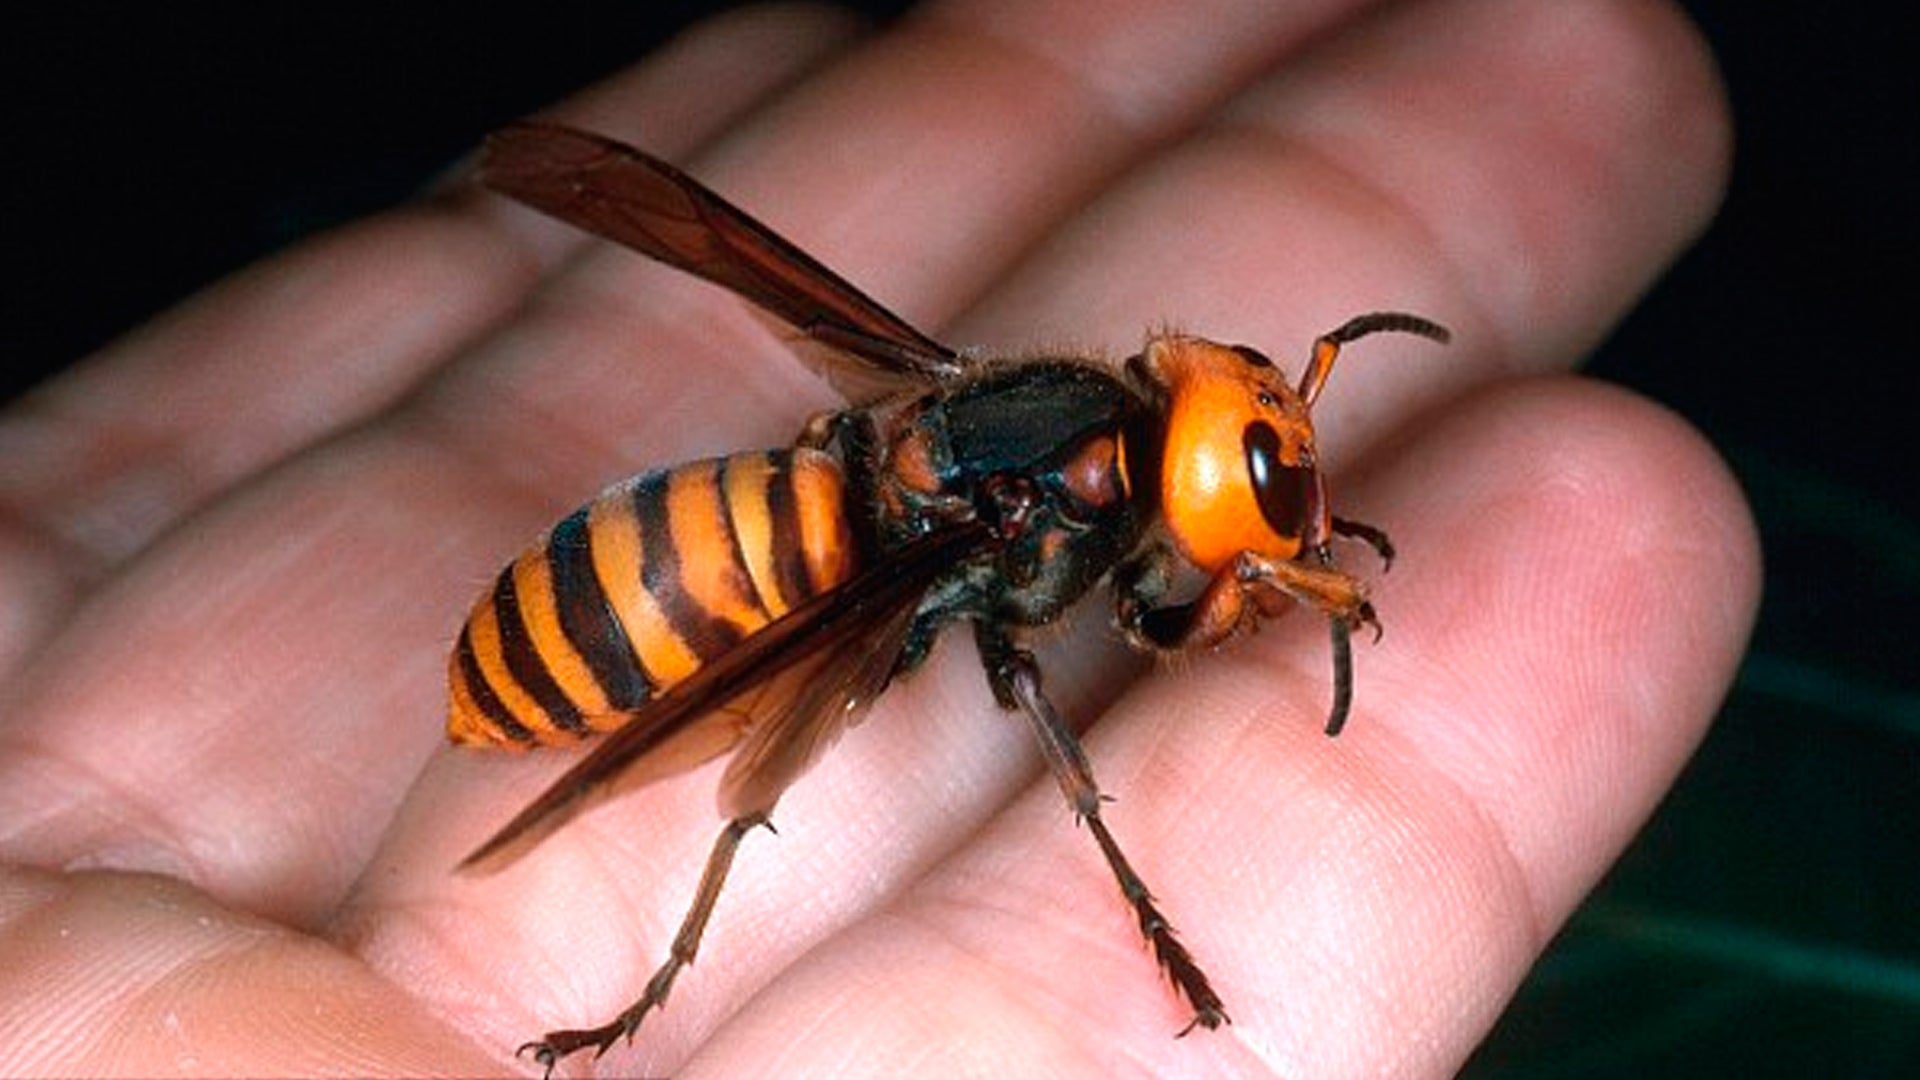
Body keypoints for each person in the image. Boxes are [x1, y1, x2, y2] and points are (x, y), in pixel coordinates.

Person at [0, 1, 1752, 1075]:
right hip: (658, 607)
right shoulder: (1040, 509)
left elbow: (1162, 601)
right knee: (796, 751)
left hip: (755, 511)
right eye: (1260, 487)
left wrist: (1264, 565)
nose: (1264, 508)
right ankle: (663, 975)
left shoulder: (1061, 436)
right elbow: (1133, 634)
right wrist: (1158, 837)